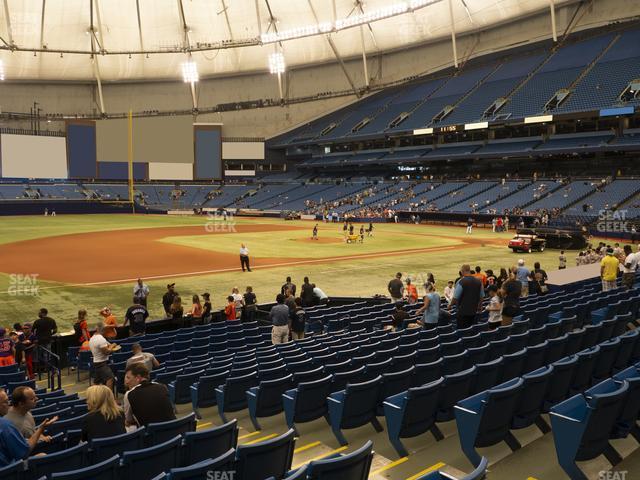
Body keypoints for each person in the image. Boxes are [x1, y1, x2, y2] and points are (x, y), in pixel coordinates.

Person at [0, 388, 56, 466]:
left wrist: (40, 434)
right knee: (43, 456)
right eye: (5, 402)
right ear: (21, 404)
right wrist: (41, 428)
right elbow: (24, 453)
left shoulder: (27, 412)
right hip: (8, 471)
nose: (9, 403)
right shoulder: (6, 425)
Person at [123, 363, 175, 428]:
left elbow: (129, 420)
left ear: (138, 377)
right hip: (174, 429)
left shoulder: (129, 394)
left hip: (152, 435)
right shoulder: (162, 386)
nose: (126, 382)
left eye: (128, 377)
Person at [449, 264, 484, 329]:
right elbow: (482, 296)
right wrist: (480, 306)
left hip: (462, 312)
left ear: (462, 271)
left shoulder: (461, 281)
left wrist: (450, 305)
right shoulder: (479, 281)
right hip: (474, 310)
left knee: (462, 331)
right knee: (472, 330)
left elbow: (455, 297)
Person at [88, 323, 119, 390]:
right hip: (101, 363)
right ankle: (108, 397)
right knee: (110, 378)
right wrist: (113, 346)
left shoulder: (92, 338)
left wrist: (111, 346)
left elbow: (108, 345)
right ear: (104, 330)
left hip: (96, 361)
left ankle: (93, 396)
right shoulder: (101, 339)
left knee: (96, 382)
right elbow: (107, 352)